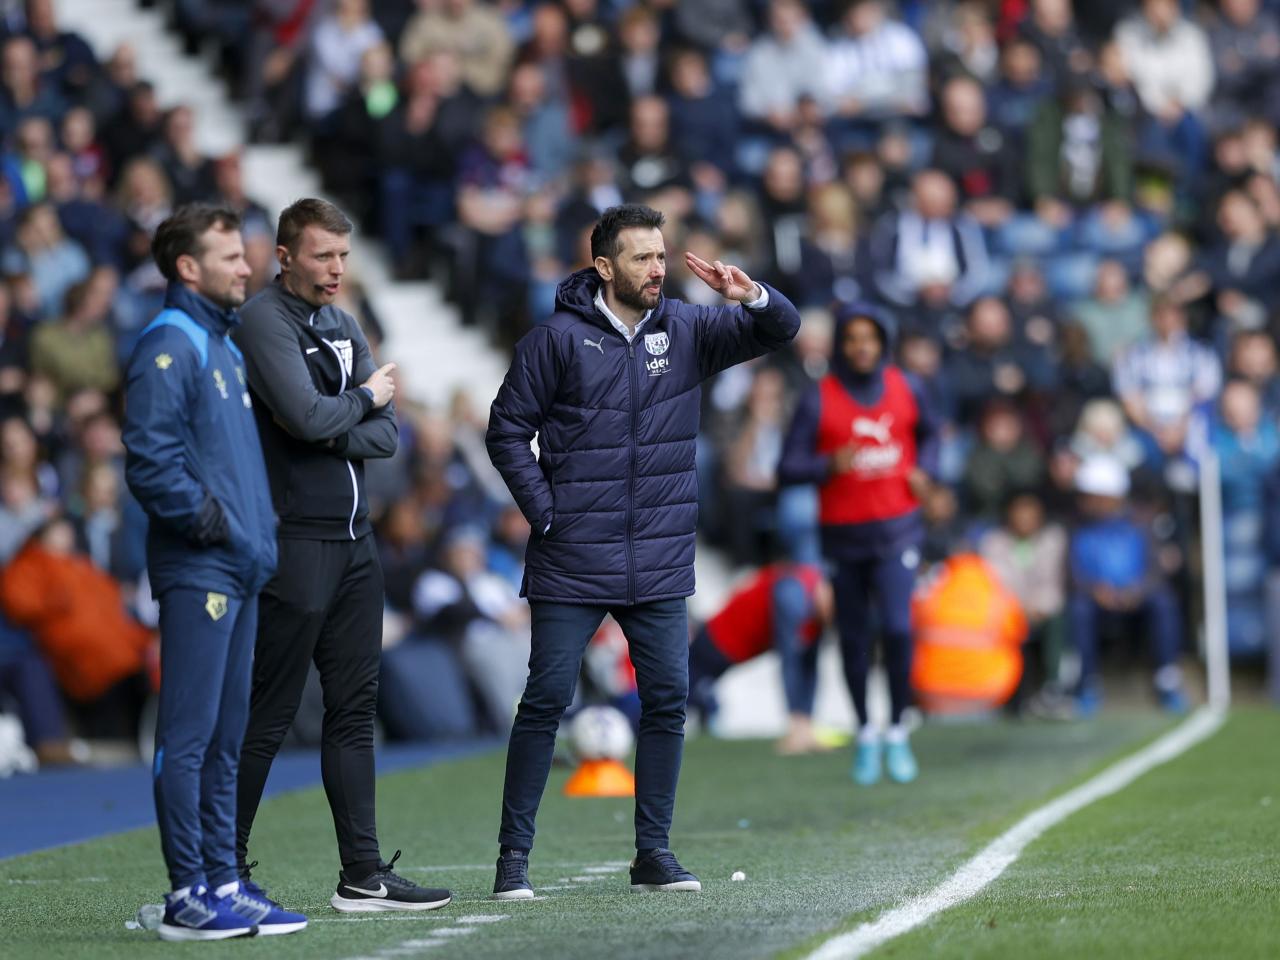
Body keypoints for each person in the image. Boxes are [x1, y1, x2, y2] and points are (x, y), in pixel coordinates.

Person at [485, 203, 800, 899]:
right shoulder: (555, 340)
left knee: (666, 701)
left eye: (661, 255)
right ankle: (513, 860)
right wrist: (546, 514)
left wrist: (749, 294)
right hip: (572, 557)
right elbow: (506, 432)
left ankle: (652, 855)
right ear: (604, 266)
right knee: (544, 700)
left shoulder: (686, 327)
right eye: (642, 258)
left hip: (657, 559)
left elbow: (783, 328)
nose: (658, 269)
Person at [232, 198, 451, 912]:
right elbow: (304, 416)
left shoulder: (342, 321)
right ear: (284, 256)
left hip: (357, 544)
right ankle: (220, 868)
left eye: (344, 257)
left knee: (354, 710)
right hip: (297, 539)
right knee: (268, 713)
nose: (336, 270)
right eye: (323, 255)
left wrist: (340, 416)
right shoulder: (263, 320)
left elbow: (384, 437)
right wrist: (360, 398)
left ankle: (362, 872)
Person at [122, 204, 304, 939]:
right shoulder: (172, 342)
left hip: (239, 567)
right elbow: (151, 459)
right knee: (190, 738)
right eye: (230, 256)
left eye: (244, 253)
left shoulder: (222, 348)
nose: (247, 265)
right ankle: (186, 895)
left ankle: (225, 879)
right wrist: (214, 527)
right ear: (187, 267)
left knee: (228, 740)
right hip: (202, 568)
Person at [778, 302, 939, 786]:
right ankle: (866, 730)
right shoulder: (817, 399)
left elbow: (931, 435)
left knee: (897, 627)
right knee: (853, 638)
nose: (861, 346)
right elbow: (787, 469)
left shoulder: (908, 386)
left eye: (870, 337)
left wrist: (925, 471)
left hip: (898, 531)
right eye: (852, 338)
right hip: (844, 537)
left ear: (883, 342)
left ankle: (897, 731)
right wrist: (828, 465)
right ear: (840, 346)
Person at [686, 561, 833, 754]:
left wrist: (806, 723)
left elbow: (809, 667)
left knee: (689, 692)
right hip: (718, 641)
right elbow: (790, 664)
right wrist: (796, 725)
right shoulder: (792, 596)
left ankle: (707, 710)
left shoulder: (816, 610)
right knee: (679, 694)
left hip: (733, 648)